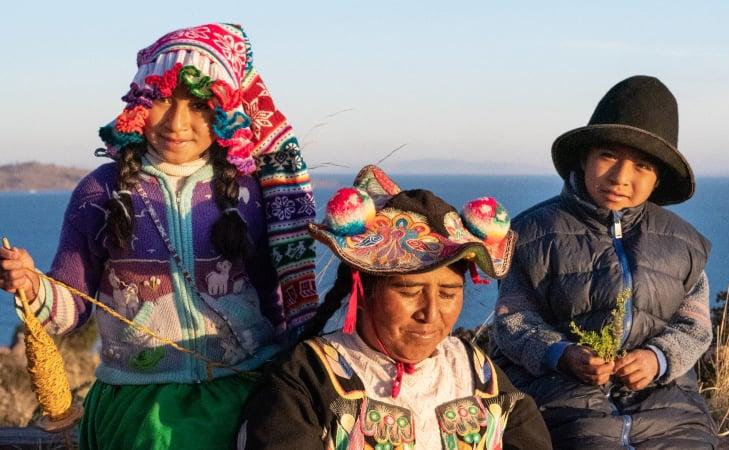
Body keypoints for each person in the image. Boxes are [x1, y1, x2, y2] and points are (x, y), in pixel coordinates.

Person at [0, 23, 318, 449]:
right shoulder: (101, 193)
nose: (177, 122)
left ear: (224, 113)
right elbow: (70, 307)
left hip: (243, 393)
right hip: (139, 409)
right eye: (163, 98)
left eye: (200, 104)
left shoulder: (249, 193)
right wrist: (31, 283)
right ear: (138, 103)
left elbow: (273, 300)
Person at [238, 165, 552, 449]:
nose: (430, 314)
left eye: (447, 294)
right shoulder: (303, 379)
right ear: (364, 291)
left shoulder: (475, 370)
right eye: (409, 291)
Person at [492, 75, 718, 448]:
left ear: (658, 176)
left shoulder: (683, 244)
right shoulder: (531, 233)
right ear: (585, 157)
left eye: (642, 166)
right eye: (608, 156)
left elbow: (694, 328)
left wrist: (657, 359)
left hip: (668, 407)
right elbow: (513, 322)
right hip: (560, 402)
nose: (621, 177)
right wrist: (561, 355)